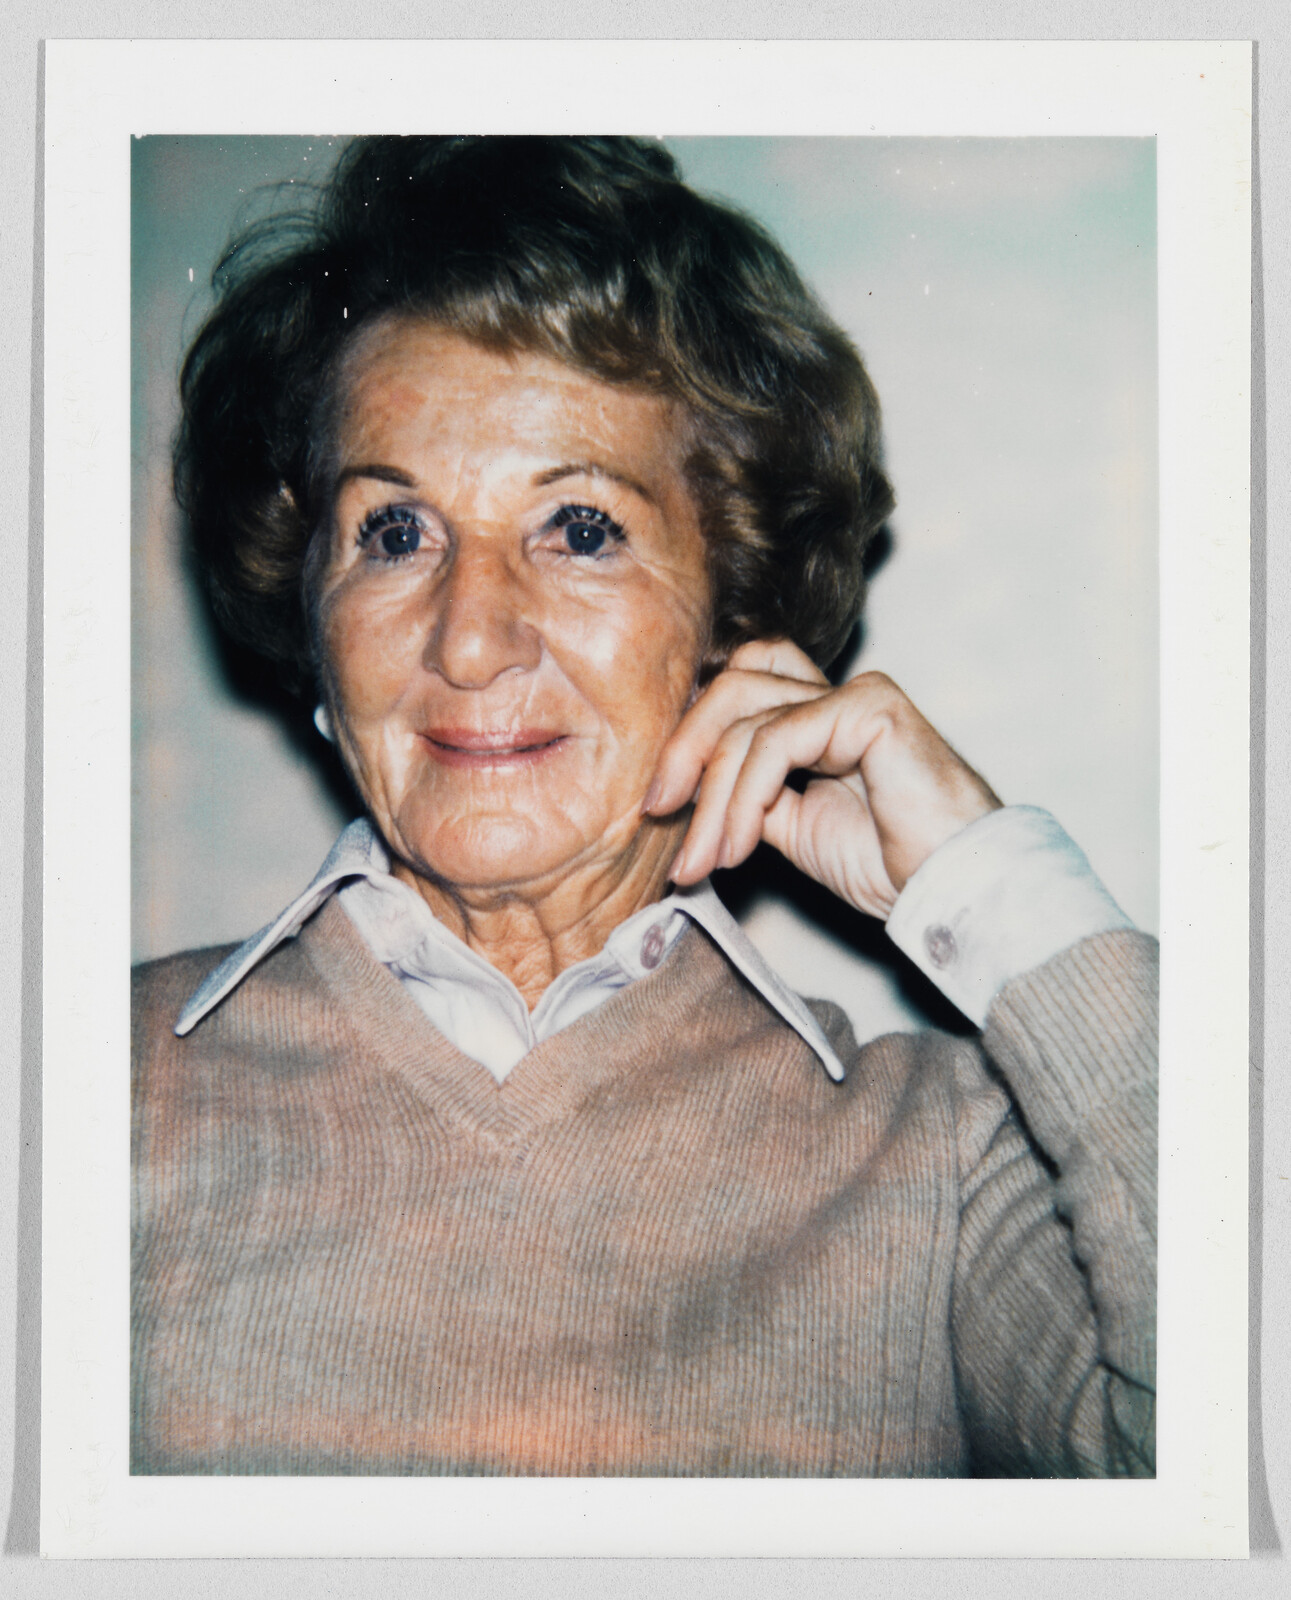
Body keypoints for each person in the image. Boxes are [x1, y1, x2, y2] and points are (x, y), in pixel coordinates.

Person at [131, 135, 1156, 1478]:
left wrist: (987, 884)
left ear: (731, 619)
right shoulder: (91, 1086)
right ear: (313, 621)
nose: (472, 639)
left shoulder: (937, 1154)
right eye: (395, 532)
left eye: (581, 529)